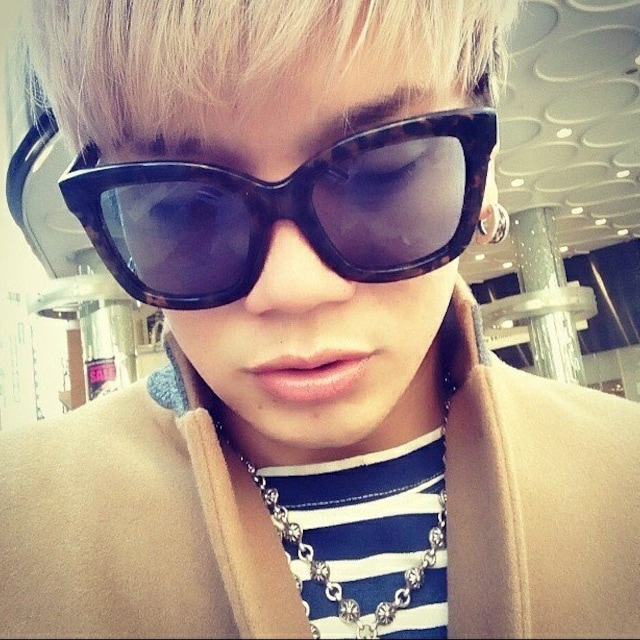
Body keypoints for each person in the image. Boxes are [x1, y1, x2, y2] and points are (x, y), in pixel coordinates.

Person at [1, 1, 639, 638]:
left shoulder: (624, 476)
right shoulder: (20, 530)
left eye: (380, 174)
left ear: (485, 168)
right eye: (184, 206)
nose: (293, 289)